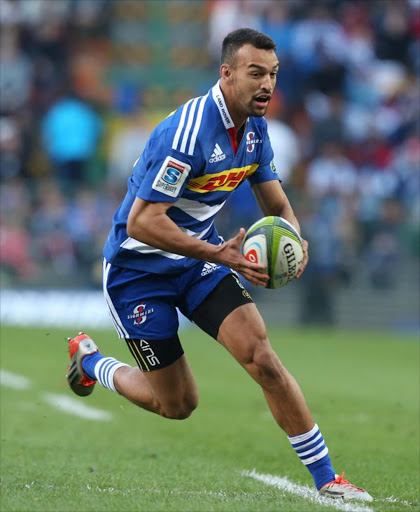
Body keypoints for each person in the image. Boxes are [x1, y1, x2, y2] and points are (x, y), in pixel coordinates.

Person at [66, 28, 372, 502]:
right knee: (178, 404)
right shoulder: (186, 134)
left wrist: (294, 239)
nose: (267, 84)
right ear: (226, 74)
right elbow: (141, 222)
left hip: (198, 263)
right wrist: (216, 253)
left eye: (272, 74)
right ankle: (90, 362)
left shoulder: (255, 130)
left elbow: (278, 205)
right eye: (256, 73)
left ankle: (328, 478)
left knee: (263, 358)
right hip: (138, 274)